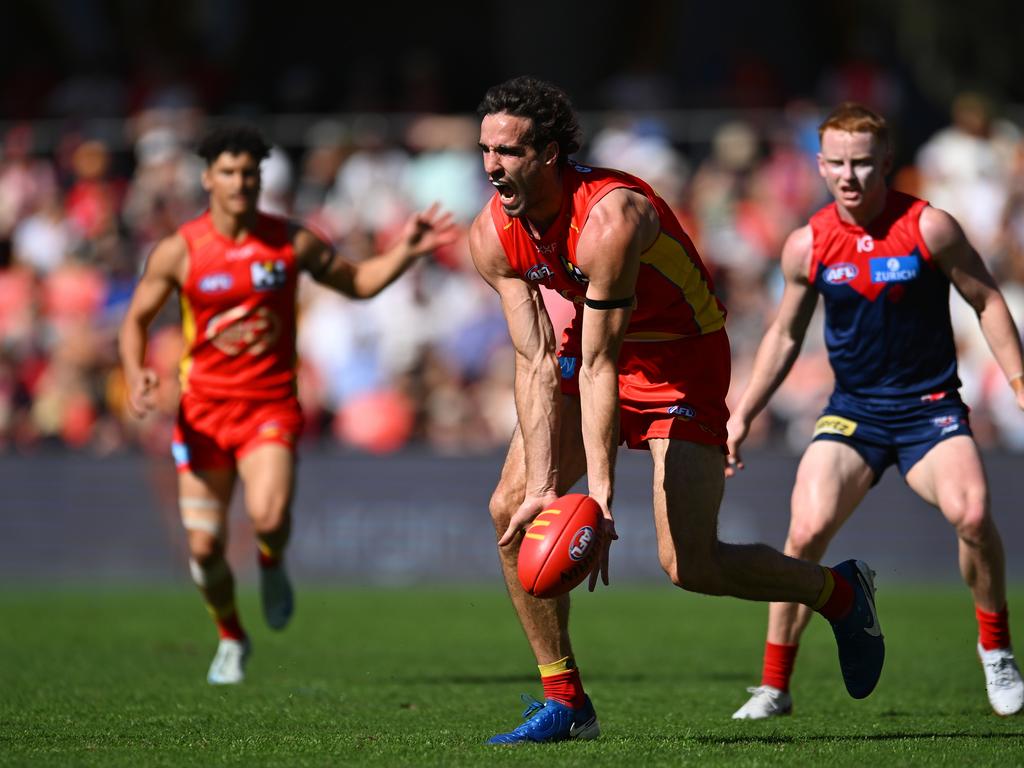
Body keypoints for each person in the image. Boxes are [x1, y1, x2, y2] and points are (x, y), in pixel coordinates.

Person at [468, 76, 885, 745]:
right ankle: (566, 699)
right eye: (485, 150)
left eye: (509, 152)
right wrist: (547, 484)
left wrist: (599, 497)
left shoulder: (611, 219)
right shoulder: (491, 234)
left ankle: (838, 593)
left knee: (689, 565)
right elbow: (536, 361)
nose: (492, 166)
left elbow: (604, 362)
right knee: (512, 510)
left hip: (678, 359)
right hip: (595, 353)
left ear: (548, 154)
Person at [119, 125, 456, 684]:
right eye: (228, 172)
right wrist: (135, 374)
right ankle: (231, 636)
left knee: (269, 517)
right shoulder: (180, 251)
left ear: (260, 179)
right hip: (202, 412)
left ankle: (272, 564)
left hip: (269, 407)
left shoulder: (290, 242)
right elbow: (134, 319)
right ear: (208, 178)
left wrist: (405, 251)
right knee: (204, 549)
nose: (240, 182)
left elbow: (359, 282)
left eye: (249, 173)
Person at [727, 102, 1024, 719]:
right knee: (804, 534)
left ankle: (995, 651)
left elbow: (988, 300)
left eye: (862, 163)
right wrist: (743, 412)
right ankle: (775, 685)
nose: (850, 176)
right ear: (820, 164)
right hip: (853, 414)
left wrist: (1018, 379)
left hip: (930, 410)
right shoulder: (806, 244)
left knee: (973, 514)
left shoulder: (929, 227)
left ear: (887, 162)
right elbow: (783, 335)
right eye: (836, 163)